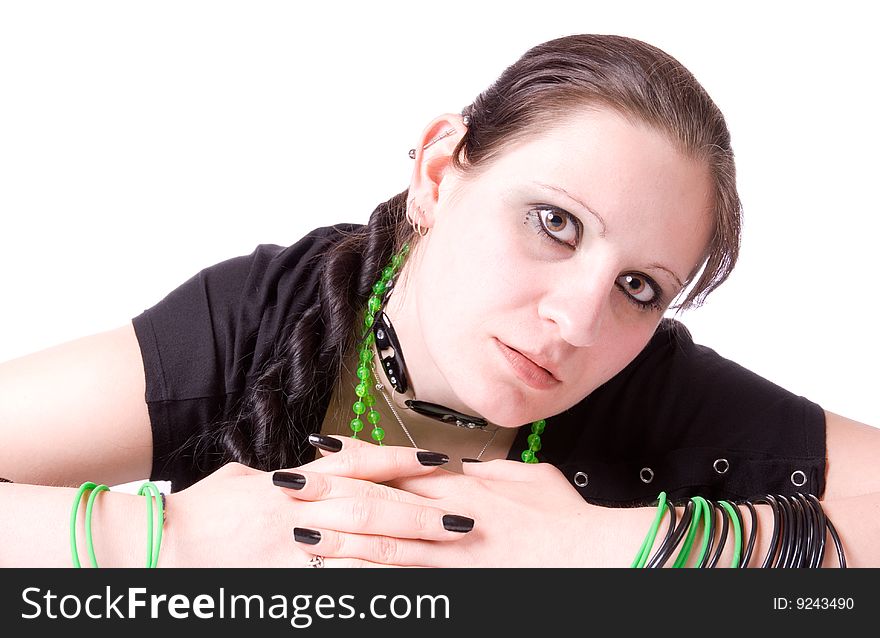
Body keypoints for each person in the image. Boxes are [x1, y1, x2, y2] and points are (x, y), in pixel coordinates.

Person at [1, 33, 878, 568]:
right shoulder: (265, 318)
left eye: (640, 288)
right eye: (554, 223)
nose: (578, 320)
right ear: (437, 171)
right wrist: (166, 544)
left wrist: (596, 552)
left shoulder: (652, 387)